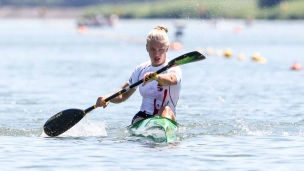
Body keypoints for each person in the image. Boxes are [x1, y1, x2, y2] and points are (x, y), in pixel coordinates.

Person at [96, 25, 182, 124]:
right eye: (153, 49)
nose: (157, 54)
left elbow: (171, 80)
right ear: (147, 48)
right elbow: (122, 95)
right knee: (138, 120)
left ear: (167, 48)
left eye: (161, 49)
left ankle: (162, 129)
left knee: (165, 109)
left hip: (166, 116)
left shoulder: (173, 67)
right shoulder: (141, 69)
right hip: (143, 117)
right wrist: (107, 98)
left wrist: (156, 77)